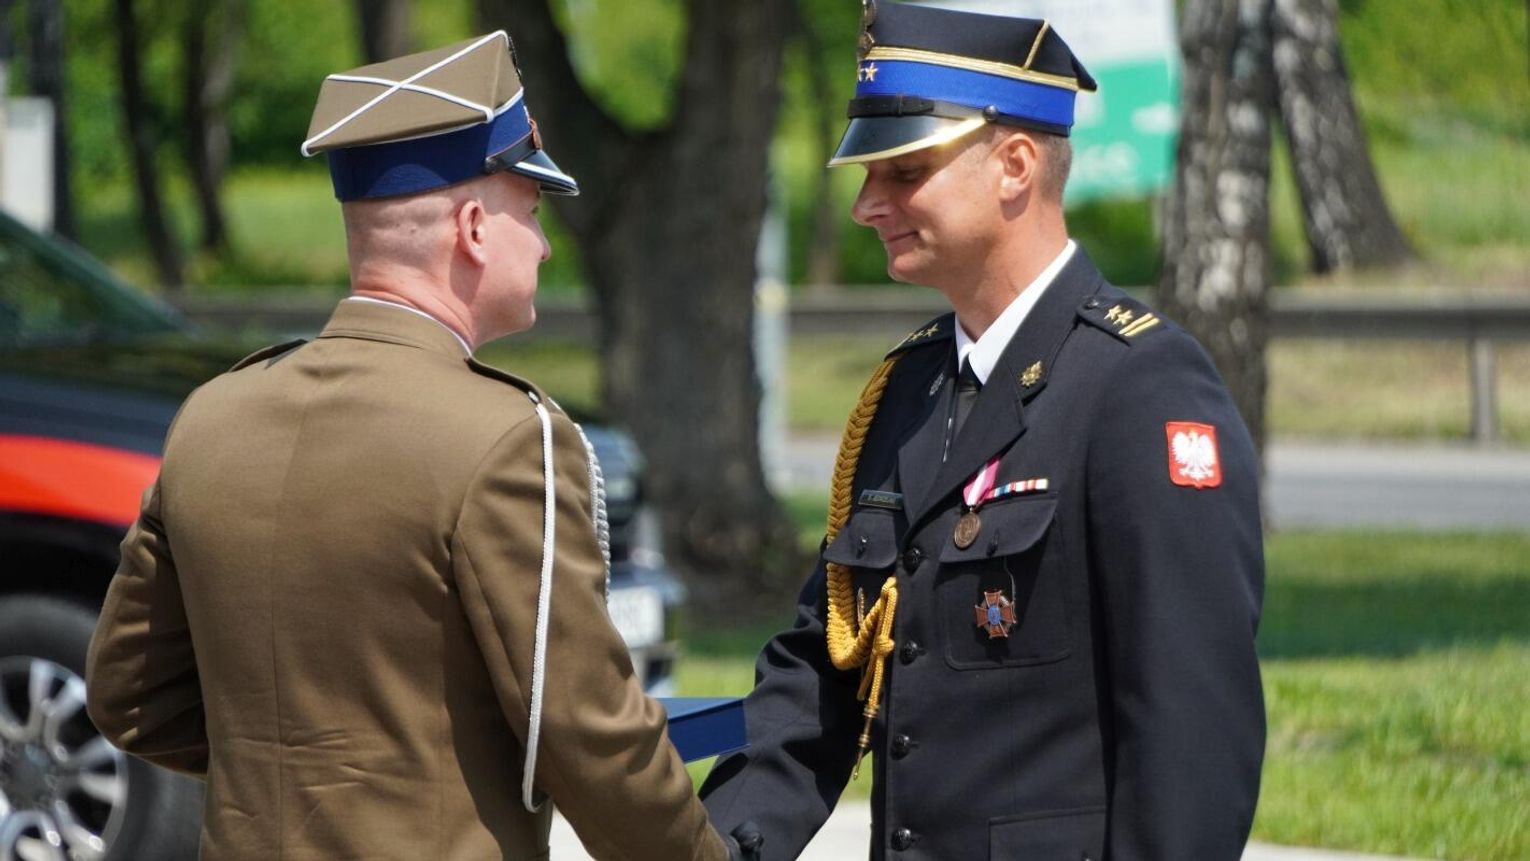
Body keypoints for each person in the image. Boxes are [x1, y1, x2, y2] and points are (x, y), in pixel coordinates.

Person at [86, 31, 744, 861]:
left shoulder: (212, 417)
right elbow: (588, 735)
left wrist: (306, 780)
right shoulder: (507, 436)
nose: (543, 246)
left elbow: (129, 693)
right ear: (472, 228)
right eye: (532, 213)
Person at [700, 3, 1266, 859]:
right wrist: (708, 846)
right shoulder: (908, 389)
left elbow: (1191, 736)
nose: (866, 206)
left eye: (904, 171)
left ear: (1014, 166)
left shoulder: (1139, 387)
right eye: (868, 175)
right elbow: (823, 671)